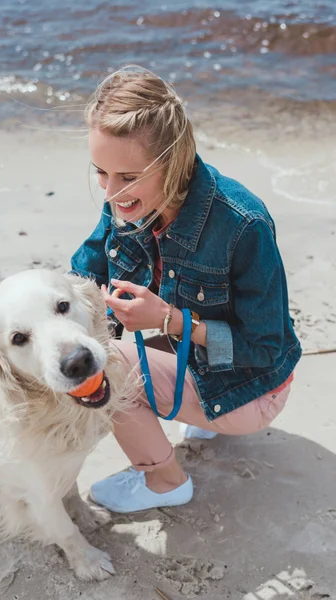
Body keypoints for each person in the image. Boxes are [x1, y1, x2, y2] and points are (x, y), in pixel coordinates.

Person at [70, 66, 301, 514]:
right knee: (83, 336)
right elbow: (86, 273)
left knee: (106, 364)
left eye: (127, 177)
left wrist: (167, 321)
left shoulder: (242, 224)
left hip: (253, 390)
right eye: (101, 171)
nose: (111, 192)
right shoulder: (127, 202)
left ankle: (164, 481)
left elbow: (264, 347)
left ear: (171, 162)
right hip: (197, 360)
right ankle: (196, 415)